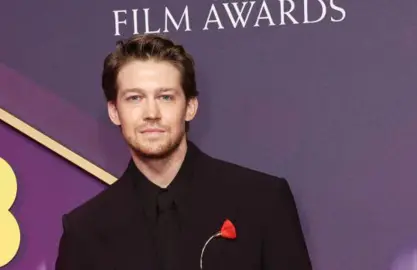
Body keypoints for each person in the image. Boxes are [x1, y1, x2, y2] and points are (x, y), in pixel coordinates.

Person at [55, 33, 311, 270]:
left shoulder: (262, 201)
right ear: (114, 111)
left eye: (165, 97)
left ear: (190, 107)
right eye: (135, 98)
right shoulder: (85, 231)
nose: (151, 113)